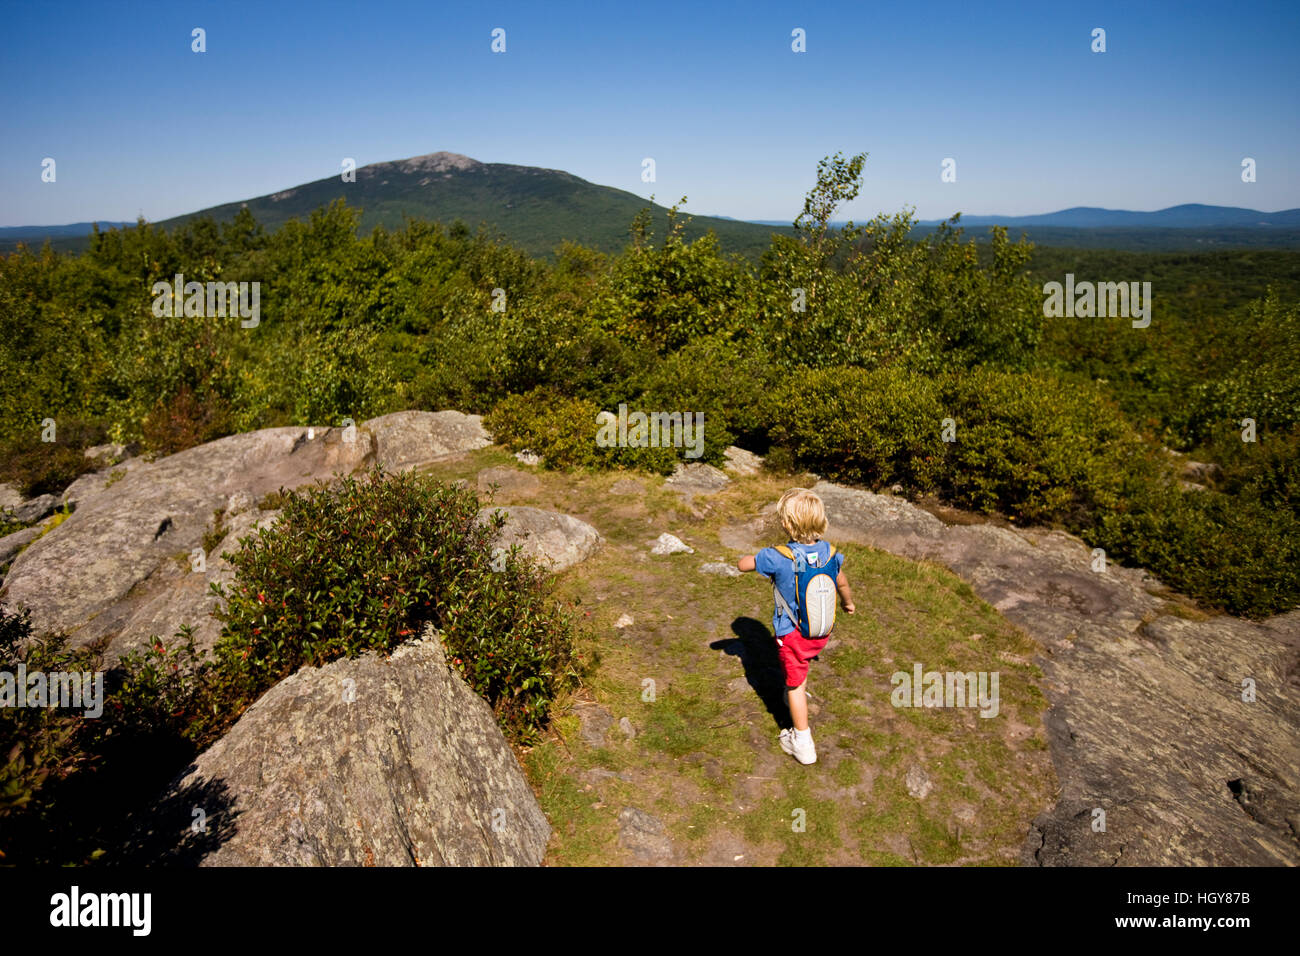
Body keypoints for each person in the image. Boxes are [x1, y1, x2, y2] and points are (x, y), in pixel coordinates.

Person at [736, 488, 854, 765]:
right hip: (820, 631)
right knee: (802, 665)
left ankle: (802, 742)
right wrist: (848, 603)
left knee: (795, 685)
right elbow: (842, 582)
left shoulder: (777, 556)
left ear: (787, 524)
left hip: (792, 634)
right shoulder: (830, 552)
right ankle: (795, 695)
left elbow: (744, 565)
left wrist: (742, 560)